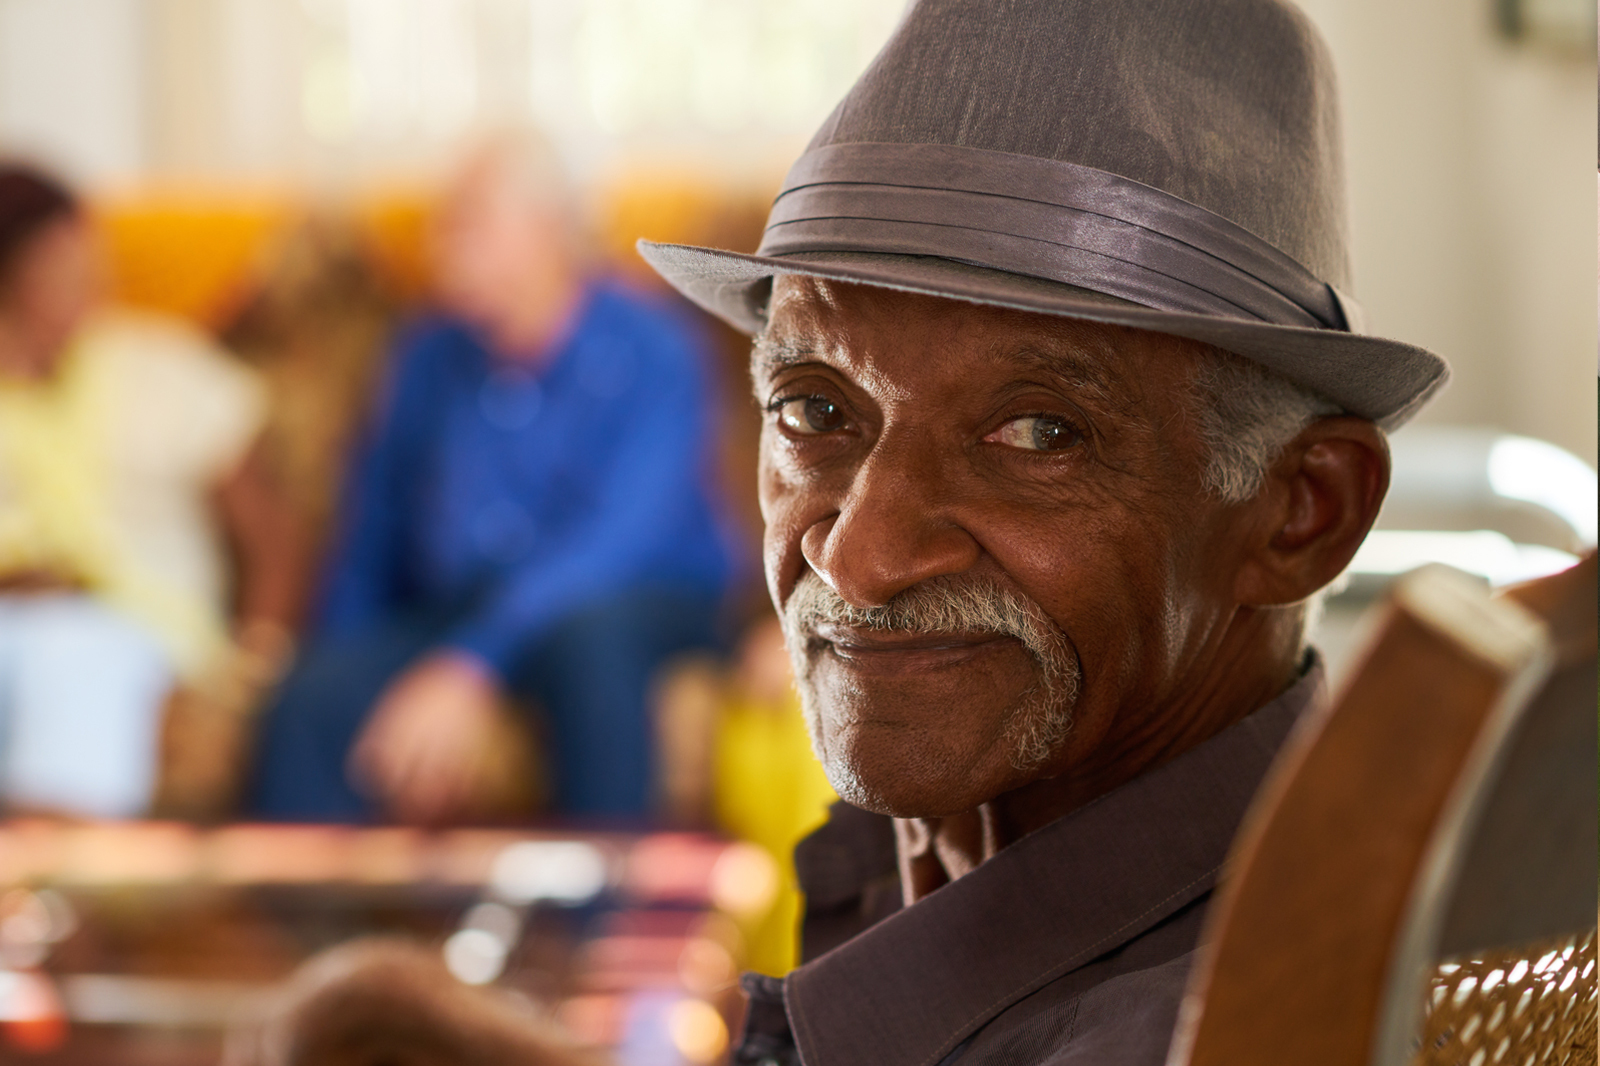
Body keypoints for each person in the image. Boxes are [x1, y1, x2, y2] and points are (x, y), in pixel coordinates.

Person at [635, 0, 1450, 1062]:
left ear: (1302, 513)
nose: (859, 559)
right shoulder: (983, 828)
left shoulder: (1189, 1033)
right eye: (814, 410)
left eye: (1036, 432)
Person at [251, 136, 740, 825]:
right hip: (468, 603)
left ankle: (599, 923)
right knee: (311, 699)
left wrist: (470, 664)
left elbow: (615, 542)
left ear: (551, 233)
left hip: (635, 600)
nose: (440, 243)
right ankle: (325, 931)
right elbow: (373, 530)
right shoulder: (425, 354)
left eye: (468, 222)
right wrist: (350, 656)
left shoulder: (655, 349)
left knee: (589, 644)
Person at [0, 162, 295, 819]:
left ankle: (49, 906)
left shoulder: (156, 367)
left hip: (129, 630)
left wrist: (255, 664)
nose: (92, 288)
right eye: (60, 270)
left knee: (69, 655)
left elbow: (272, 537)